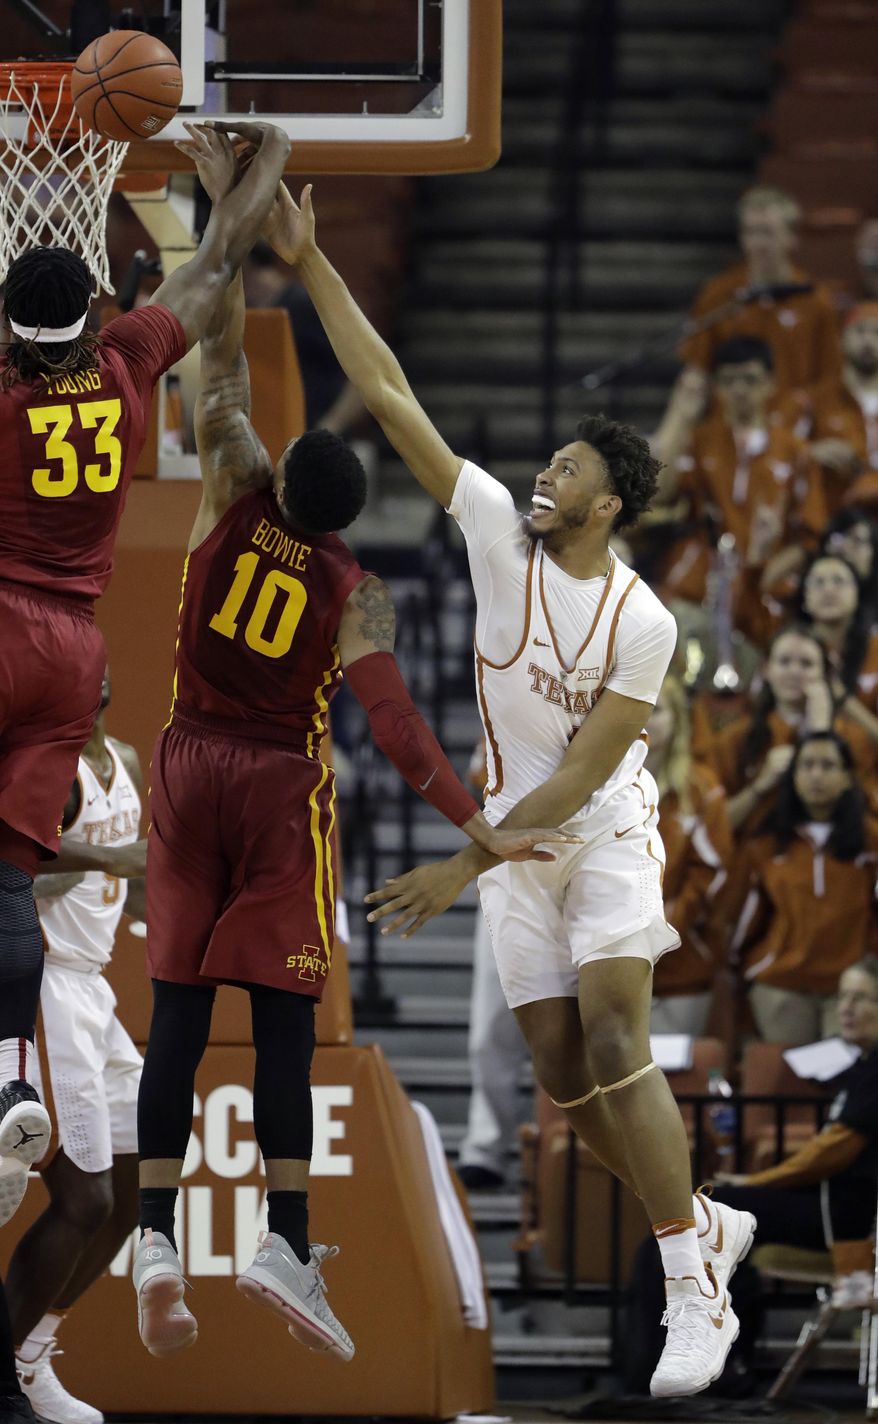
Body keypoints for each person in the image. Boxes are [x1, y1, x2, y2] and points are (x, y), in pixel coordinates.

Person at [271, 181, 762, 1399]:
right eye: (547, 458)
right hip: (507, 841)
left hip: (596, 835)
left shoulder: (640, 620)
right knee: (558, 1077)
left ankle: (692, 1286)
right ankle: (700, 1214)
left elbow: (588, 772)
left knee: (611, 1028)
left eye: (569, 466)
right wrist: (314, 258)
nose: (544, 471)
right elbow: (387, 391)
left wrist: (460, 859)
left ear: (608, 504)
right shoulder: (493, 525)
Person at [132, 145, 566, 1367]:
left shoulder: (229, 477)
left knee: (173, 1014)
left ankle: (157, 1235)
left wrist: (225, 222)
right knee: (278, 1023)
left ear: (279, 473)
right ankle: (282, 1234)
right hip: (275, 786)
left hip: (182, 764)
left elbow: (218, 357)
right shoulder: (353, 592)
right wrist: (474, 818)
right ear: (349, 517)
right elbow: (395, 729)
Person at [0, 118, 292, 1218]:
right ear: (93, 320)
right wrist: (256, 171)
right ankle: (9, 1085)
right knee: (10, 872)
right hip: (75, 648)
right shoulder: (127, 367)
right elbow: (214, 269)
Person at [626, 956, 878, 1390]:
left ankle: (695, 1368)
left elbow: (831, 1154)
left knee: (706, 1215)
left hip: (846, 1219)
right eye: (843, 996)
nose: (846, 1008)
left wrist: (754, 1183)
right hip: (826, 1204)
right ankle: (662, 1364)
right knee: (680, 1230)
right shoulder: (860, 1068)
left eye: (862, 998)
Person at [8, 668, 144, 1424]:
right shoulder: (42, 770)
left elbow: (141, 876)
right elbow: (17, 873)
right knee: (82, 1196)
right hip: (46, 983)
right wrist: (107, 860)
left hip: (95, 984)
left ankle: (30, 1357)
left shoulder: (123, 757)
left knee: (134, 1189)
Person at [651, 337, 826, 651]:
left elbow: (810, 536)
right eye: (729, 381)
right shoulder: (699, 439)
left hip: (767, 587)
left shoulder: (793, 450)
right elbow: (660, 494)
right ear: (716, 387)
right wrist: (681, 414)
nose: (740, 390)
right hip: (700, 583)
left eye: (750, 379)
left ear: (770, 384)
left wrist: (764, 575)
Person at [721, 731, 878, 1045]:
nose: (816, 775)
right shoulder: (766, 842)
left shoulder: (871, 840)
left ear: (848, 777)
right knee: (788, 1086)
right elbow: (743, 919)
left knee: (848, 1079)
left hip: (848, 989)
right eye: (806, 765)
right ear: (792, 776)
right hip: (781, 984)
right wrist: (743, 969)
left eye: (827, 765)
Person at [708, 624, 878, 838]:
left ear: (825, 674)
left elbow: (864, 820)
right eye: (784, 661)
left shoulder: (853, 738)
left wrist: (822, 735)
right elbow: (710, 830)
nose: (794, 671)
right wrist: (758, 787)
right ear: (767, 670)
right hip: (759, 863)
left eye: (806, 664)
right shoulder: (736, 738)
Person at [679, 185, 841, 396]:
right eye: (751, 232)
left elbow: (829, 377)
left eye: (767, 232)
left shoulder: (815, 299)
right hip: (729, 421)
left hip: (792, 423)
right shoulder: (719, 294)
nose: (758, 243)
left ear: (791, 236)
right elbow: (697, 370)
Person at [457, 739, 530, 1192]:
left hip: (586, 875)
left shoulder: (604, 692)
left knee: (583, 1029)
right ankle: (485, 1144)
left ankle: (566, 1147)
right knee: (491, 1028)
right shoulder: (505, 683)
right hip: (507, 879)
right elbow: (482, 782)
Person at [645, 676, 731, 1038]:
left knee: (678, 1082)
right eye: (635, 708)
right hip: (605, 963)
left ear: (678, 719)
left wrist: (660, 928)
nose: (643, 720)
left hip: (681, 964)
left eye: (656, 710)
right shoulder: (598, 783)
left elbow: (714, 873)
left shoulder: (701, 789)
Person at [796, 304, 878, 515]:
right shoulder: (815, 399)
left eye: (876, 332)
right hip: (833, 518)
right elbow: (778, 450)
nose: (868, 341)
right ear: (842, 340)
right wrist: (811, 451)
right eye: (860, 331)